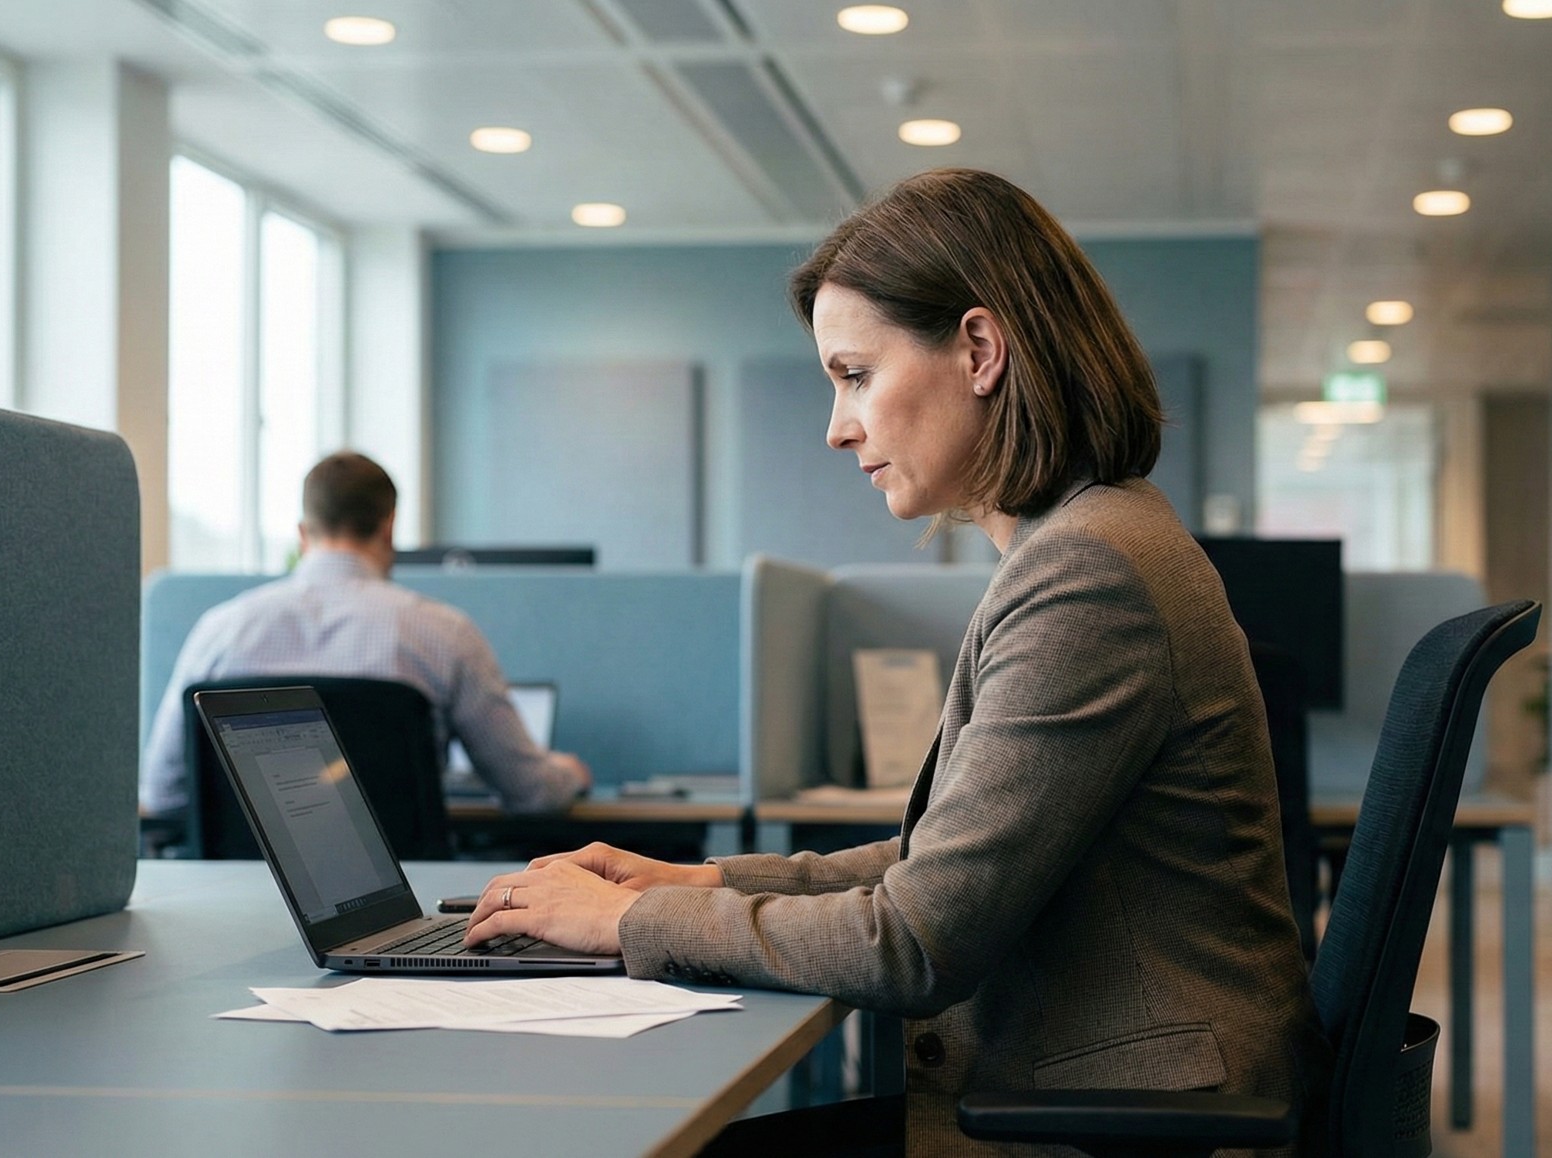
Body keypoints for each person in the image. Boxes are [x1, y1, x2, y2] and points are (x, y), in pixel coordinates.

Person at [462, 169, 1326, 1157]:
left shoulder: (1091, 571)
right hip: (1102, 1092)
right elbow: (935, 873)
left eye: (855, 375)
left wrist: (632, 924)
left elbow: (917, 941)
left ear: (979, 350)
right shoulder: (1087, 544)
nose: (837, 428)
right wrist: (694, 883)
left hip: (1122, 1120)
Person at [138, 451, 590, 817]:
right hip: (402, 893)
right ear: (389, 525)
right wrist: (567, 773)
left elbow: (163, 791)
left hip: (238, 893)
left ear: (302, 533)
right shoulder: (443, 634)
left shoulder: (221, 630)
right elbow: (530, 794)